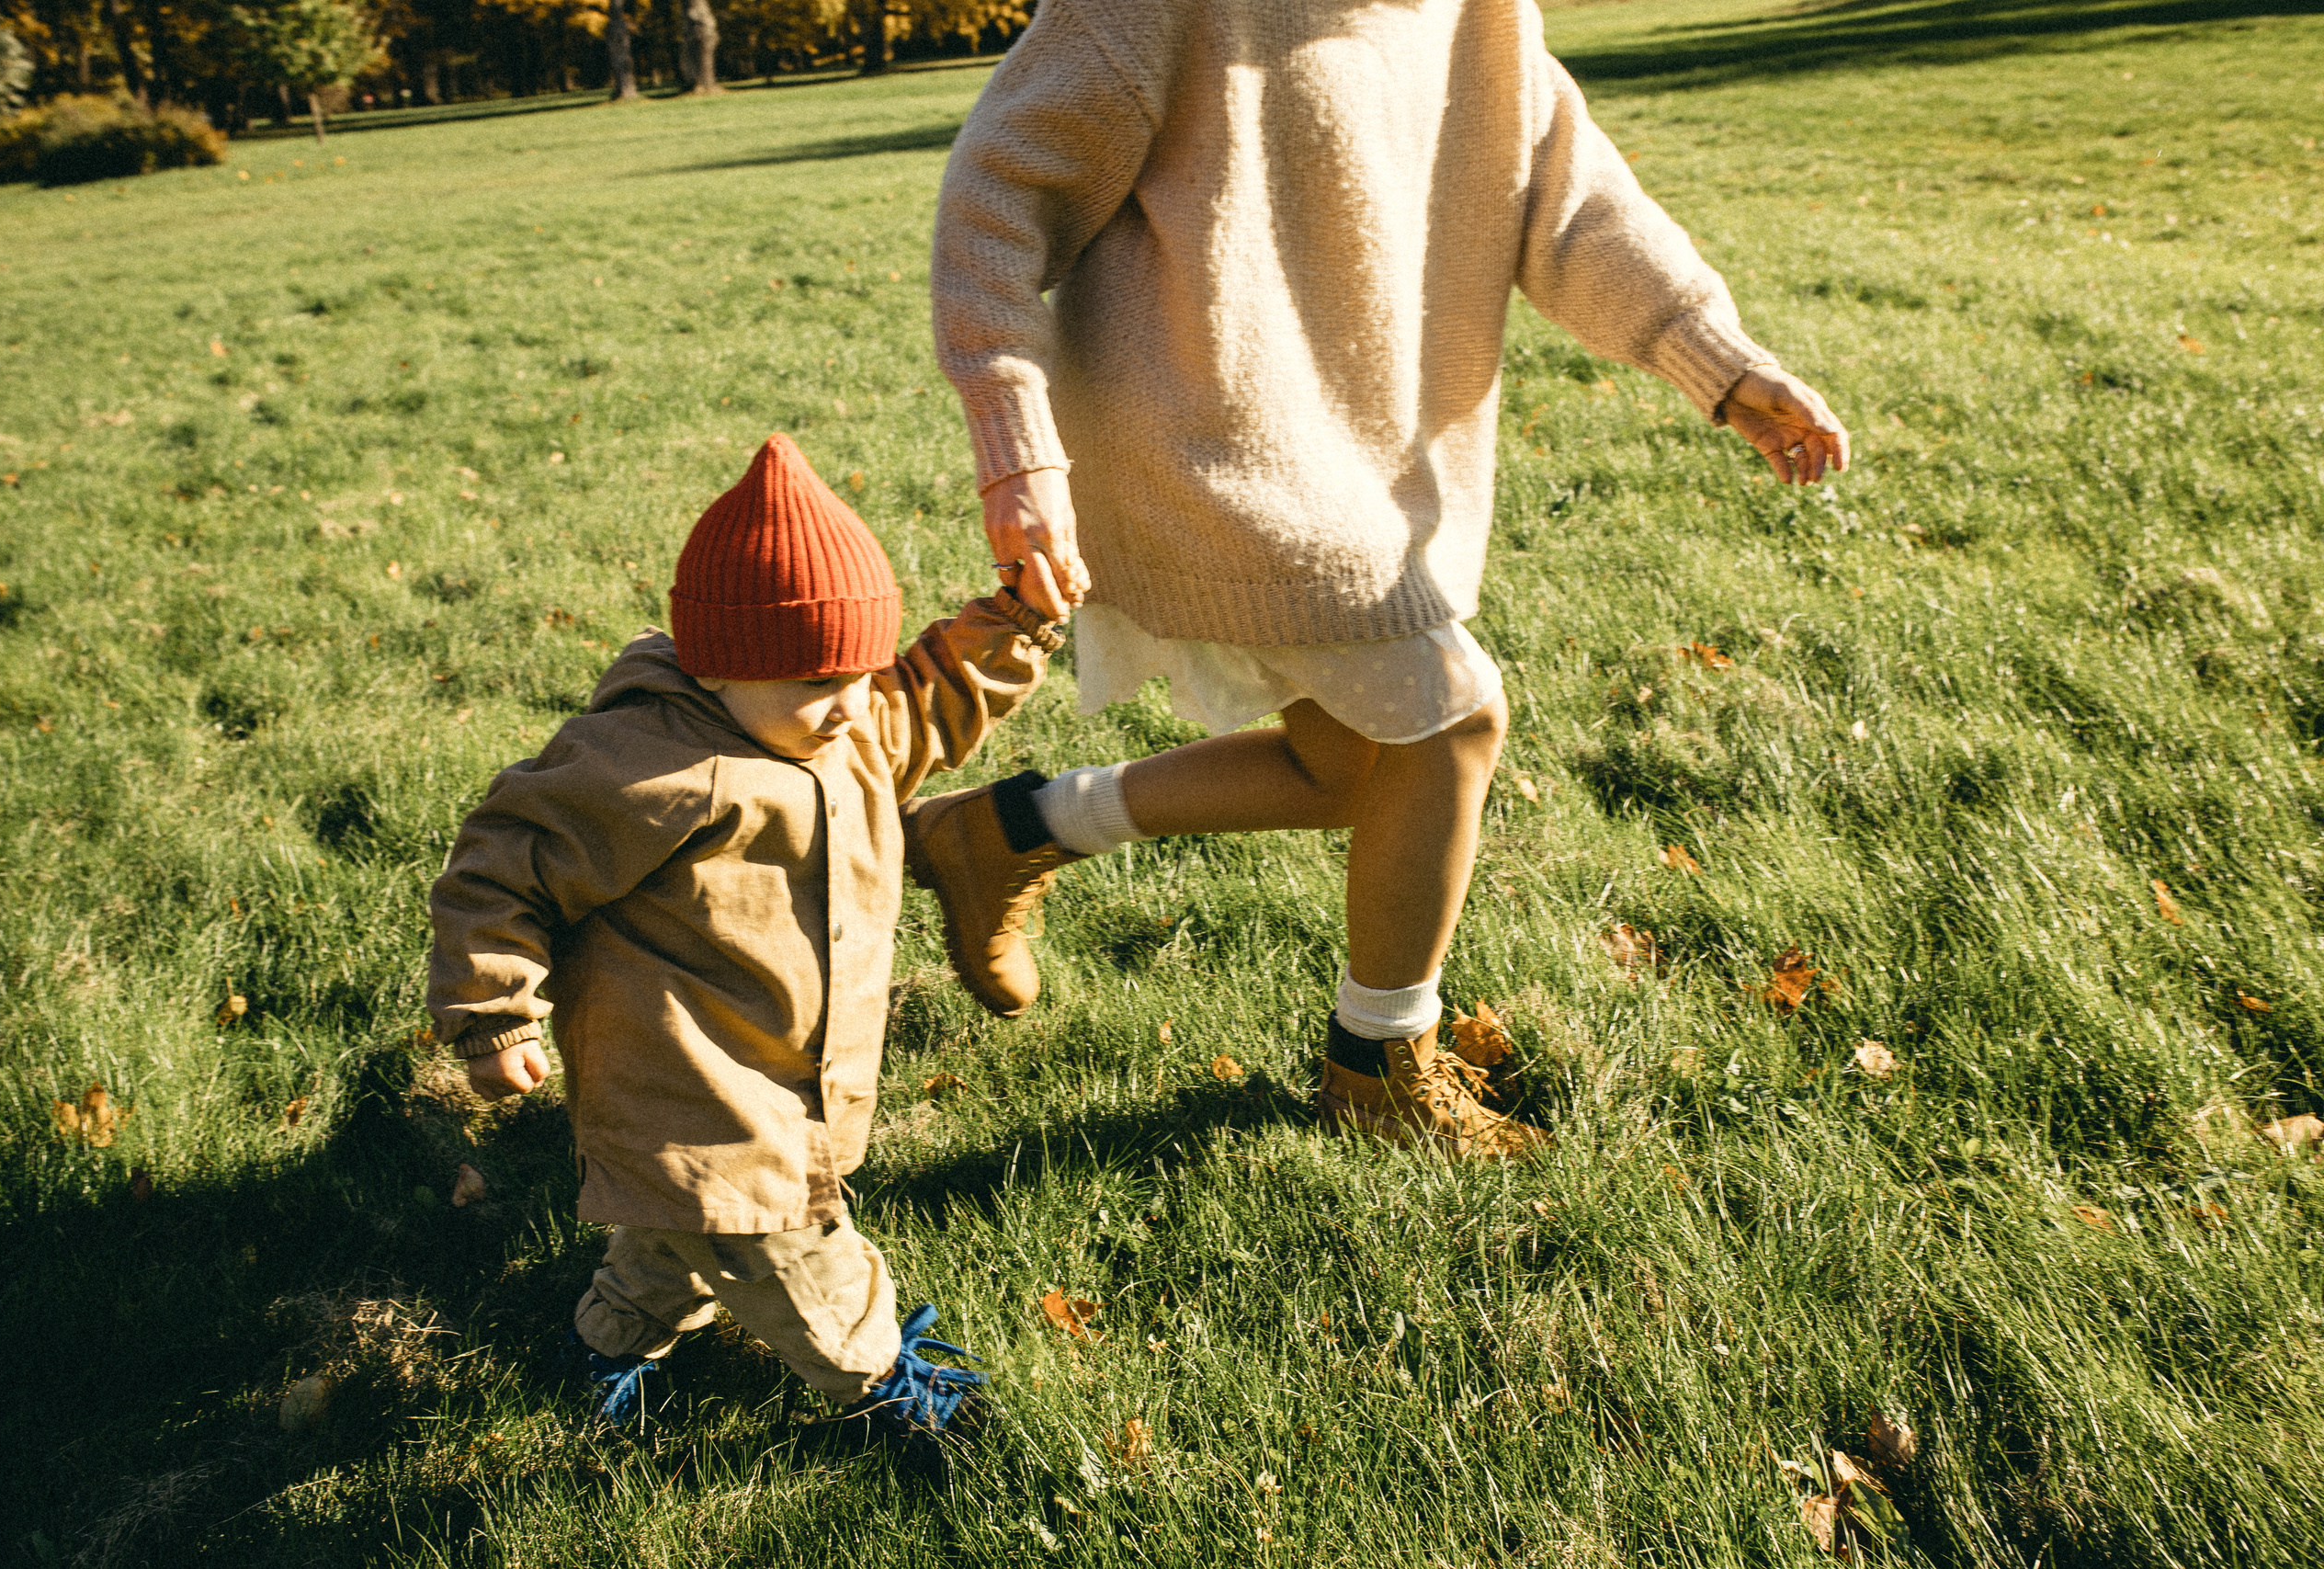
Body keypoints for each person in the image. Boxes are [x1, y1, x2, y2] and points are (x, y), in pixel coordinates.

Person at [908, 0, 1850, 1160]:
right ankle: (1377, 1064)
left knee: (1352, 759)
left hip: (1356, 455)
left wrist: (1711, 355)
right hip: (1198, 442)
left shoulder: (1477, 12)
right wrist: (1017, 446)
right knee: (1450, 723)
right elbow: (997, 201)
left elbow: (1572, 200)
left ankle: (1005, 831)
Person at [425, 434, 1064, 1429]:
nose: (851, 705)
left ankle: (601, 1350)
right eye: (817, 682)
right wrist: (494, 1013)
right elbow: (506, 862)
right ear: (721, 669)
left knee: (675, 1231)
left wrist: (1017, 623)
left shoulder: (835, 725)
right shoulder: (648, 770)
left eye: (861, 671)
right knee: (793, 1250)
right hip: (693, 1088)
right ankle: (880, 1383)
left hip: (774, 1074)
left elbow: (930, 699)